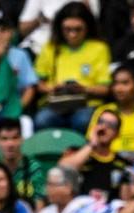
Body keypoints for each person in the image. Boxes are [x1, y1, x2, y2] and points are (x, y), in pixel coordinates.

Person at [31, 2, 111, 133]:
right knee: (42, 120)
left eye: (78, 29)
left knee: (82, 121)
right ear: (59, 28)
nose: (72, 34)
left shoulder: (99, 48)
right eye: (67, 29)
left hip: (86, 104)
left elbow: (105, 89)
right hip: (55, 104)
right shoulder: (50, 47)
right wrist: (53, 88)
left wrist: (83, 89)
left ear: (87, 27)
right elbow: (39, 83)